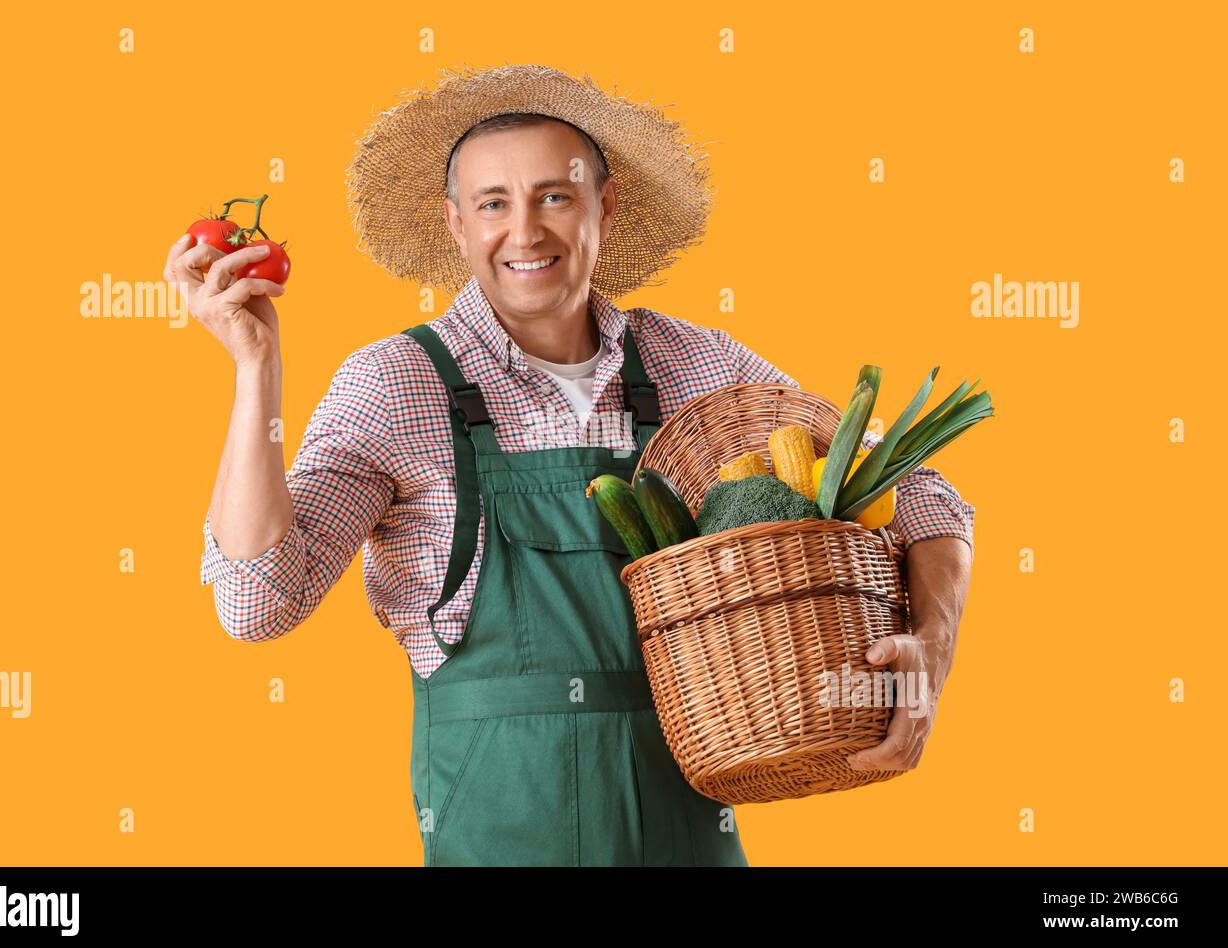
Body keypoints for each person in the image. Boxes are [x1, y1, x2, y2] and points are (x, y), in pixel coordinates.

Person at [164, 63, 975, 866]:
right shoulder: (398, 383)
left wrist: (928, 650)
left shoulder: (694, 365)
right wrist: (255, 370)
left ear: (605, 205)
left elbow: (924, 490)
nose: (526, 232)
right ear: (457, 226)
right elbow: (255, 603)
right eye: (493, 204)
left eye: (555, 195)